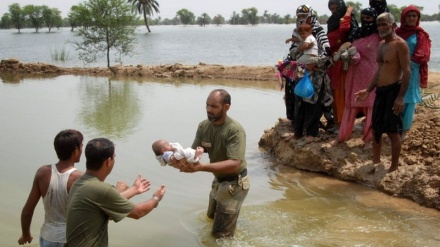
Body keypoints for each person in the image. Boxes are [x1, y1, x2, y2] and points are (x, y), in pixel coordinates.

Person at [65, 138, 166, 247]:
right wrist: (156, 198)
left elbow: (108, 209)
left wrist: (134, 189)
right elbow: (138, 213)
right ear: (108, 161)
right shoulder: (101, 189)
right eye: (114, 157)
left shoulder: (79, 183)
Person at [178, 89, 250, 239]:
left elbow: (235, 164)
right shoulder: (204, 126)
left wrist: (201, 167)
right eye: (207, 105)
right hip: (218, 181)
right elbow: (192, 153)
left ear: (226, 107)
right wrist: (175, 157)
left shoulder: (234, 131)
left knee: (220, 236)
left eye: (214, 106)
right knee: (211, 218)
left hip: (235, 184)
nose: (209, 110)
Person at [355, 12, 410, 173]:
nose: (381, 27)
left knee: (393, 131)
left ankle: (393, 168)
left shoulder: (400, 44)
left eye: (384, 24)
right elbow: (379, 71)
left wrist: (400, 97)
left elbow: (407, 72)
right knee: (375, 128)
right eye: (379, 25)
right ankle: (376, 161)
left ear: (393, 26)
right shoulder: (381, 45)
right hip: (380, 92)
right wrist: (368, 89)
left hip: (394, 91)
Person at [18, 129, 84, 247]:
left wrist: (26, 234)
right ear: (75, 151)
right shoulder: (80, 178)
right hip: (71, 238)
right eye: (81, 146)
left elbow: (27, 212)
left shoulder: (43, 173)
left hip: (48, 238)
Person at [333, 7, 381, 149]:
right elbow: (352, 51)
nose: (366, 21)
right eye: (364, 18)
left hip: (371, 74)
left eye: (369, 18)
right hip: (354, 74)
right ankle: (342, 137)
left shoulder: (379, 35)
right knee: (351, 105)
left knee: (370, 106)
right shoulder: (356, 33)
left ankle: (368, 138)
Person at [396, 5, 431, 140]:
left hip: (411, 71)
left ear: (418, 18)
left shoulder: (420, 34)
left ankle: (404, 130)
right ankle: (395, 128)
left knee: (408, 100)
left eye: (414, 16)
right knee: (395, 97)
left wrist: (404, 64)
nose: (411, 18)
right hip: (395, 71)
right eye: (408, 16)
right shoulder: (397, 32)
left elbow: (422, 56)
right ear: (404, 18)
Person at [326, 0, 359, 133]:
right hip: (332, 62)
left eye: (336, 8)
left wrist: (348, 12)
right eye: (331, 8)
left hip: (342, 61)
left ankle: (342, 124)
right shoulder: (331, 21)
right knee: (333, 91)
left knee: (341, 92)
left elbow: (344, 29)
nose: (334, 11)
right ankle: (336, 121)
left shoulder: (348, 21)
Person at [293, 56, 333, 143]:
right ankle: (298, 132)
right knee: (299, 105)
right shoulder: (301, 46)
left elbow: (328, 58)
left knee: (313, 106)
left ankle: (311, 133)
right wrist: (303, 64)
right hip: (302, 73)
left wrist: (313, 63)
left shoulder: (318, 44)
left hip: (316, 78)